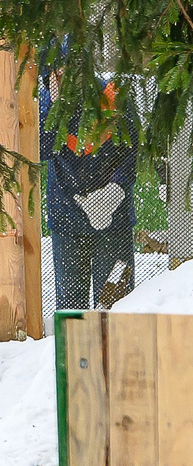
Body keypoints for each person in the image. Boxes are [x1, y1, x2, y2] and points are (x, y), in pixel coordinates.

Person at [41, 71, 139, 312]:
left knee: (116, 303)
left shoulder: (114, 95)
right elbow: (40, 150)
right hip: (67, 217)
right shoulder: (46, 102)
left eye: (67, 71)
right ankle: (75, 352)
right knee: (72, 309)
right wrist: (53, 105)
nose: (63, 78)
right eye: (56, 73)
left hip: (113, 218)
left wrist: (114, 190)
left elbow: (132, 147)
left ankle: (117, 351)